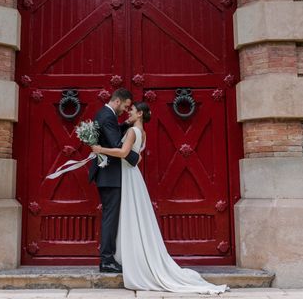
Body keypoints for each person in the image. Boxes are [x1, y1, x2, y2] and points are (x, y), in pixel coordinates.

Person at [91, 102, 230, 294]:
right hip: (133, 175)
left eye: (131, 111)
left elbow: (123, 153)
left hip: (128, 176)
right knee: (134, 216)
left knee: (130, 216)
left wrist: (100, 150)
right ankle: (134, 255)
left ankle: (131, 258)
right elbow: (137, 158)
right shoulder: (143, 132)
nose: (128, 113)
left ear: (139, 113)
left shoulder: (132, 131)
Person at [88, 88, 141, 273]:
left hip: (108, 175)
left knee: (111, 217)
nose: (126, 110)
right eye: (125, 106)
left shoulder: (104, 114)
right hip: (109, 176)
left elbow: (111, 135)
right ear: (117, 101)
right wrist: (136, 159)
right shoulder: (108, 116)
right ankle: (107, 260)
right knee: (110, 218)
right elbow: (116, 144)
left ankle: (108, 257)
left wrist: (126, 123)